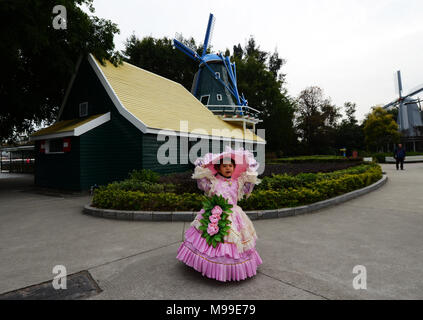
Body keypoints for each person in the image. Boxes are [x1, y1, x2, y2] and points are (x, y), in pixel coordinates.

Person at [176, 147, 263, 282]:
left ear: (234, 168)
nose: (228, 168)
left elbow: (247, 189)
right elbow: (202, 183)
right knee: (211, 240)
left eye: (230, 166)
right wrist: (201, 168)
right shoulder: (213, 181)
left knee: (234, 242)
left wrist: (251, 173)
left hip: (234, 215)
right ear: (218, 168)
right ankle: (208, 265)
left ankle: (230, 267)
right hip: (214, 213)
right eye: (224, 166)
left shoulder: (238, 182)